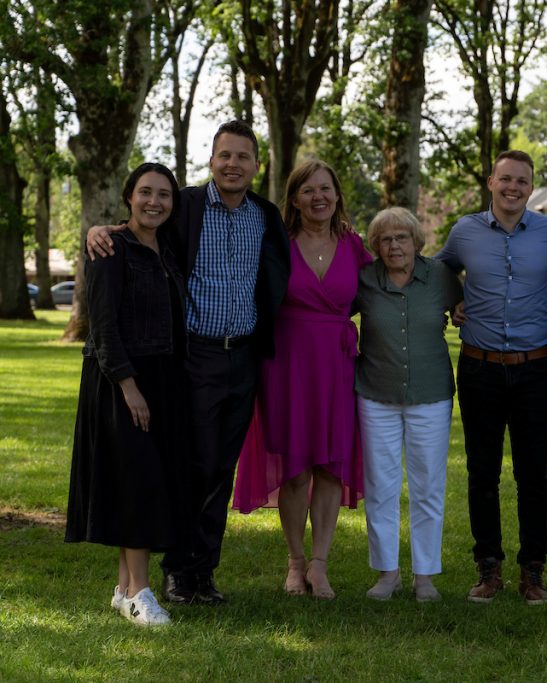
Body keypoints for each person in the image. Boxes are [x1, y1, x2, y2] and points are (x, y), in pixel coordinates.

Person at [87, 121, 290, 604]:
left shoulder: (266, 215)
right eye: (225, 155)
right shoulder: (188, 206)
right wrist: (102, 230)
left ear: (257, 165)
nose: (233, 165)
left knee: (222, 468)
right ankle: (179, 569)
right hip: (195, 356)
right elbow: (143, 227)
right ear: (211, 159)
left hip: (243, 356)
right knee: (192, 464)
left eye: (243, 157)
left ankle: (204, 572)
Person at [232, 159, 370, 599]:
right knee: (294, 471)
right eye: (309, 190)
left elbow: (395, 281)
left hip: (336, 365)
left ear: (337, 195)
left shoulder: (354, 246)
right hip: (287, 365)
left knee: (330, 469)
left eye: (326, 189)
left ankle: (320, 565)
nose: (319, 197)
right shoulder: (275, 243)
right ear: (294, 198)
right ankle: (294, 562)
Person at [437, 150, 547, 604]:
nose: (513, 188)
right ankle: (488, 568)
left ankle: (533, 571)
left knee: (534, 476)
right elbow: (440, 269)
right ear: (491, 181)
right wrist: (454, 300)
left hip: (534, 369)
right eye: (506, 179)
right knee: (482, 473)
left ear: (531, 187)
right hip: (480, 367)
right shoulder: (465, 231)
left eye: (523, 181)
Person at [66, 163, 188, 626]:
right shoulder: (110, 248)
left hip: (162, 379)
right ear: (129, 197)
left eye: (164, 194)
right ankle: (141, 593)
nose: (154, 201)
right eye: (145, 192)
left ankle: (123, 588)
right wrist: (129, 387)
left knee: (146, 480)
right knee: (138, 484)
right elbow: (102, 326)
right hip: (122, 381)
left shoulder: (167, 250)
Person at [354, 207, 463, 603]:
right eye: (385, 239)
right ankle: (387, 573)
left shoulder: (441, 278)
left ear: (417, 242)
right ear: (376, 247)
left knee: (428, 487)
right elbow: (330, 312)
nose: (394, 245)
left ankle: (425, 577)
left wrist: (461, 312)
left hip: (430, 395)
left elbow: (466, 308)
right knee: (381, 486)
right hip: (376, 394)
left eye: (402, 237)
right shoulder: (364, 280)